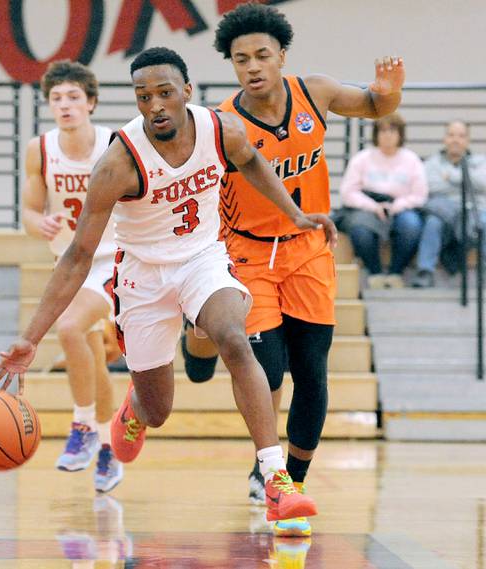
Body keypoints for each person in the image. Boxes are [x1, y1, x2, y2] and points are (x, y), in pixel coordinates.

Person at [0, 47, 335, 524]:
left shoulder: (218, 129)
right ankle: (132, 410)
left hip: (203, 258)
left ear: (187, 92)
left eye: (165, 93)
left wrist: (295, 215)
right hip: (143, 276)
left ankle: (276, 479)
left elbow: (252, 162)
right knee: (157, 409)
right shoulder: (118, 163)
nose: (155, 105)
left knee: (235, 337)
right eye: (143, 96)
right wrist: (31, 336)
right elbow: (77, 256)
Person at [179, 2, 406, 537]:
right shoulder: (223, 121)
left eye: (262, 55)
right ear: (232, 66)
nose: (253, 66)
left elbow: (374, 107)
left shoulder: (316, 92)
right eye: (241, 59)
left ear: (281, 55)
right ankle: (199, 345)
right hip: (248, 252)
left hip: (307, 249)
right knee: (269, 369)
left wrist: (388, 88)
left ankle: (289, 482)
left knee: (313, 374)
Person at [21, 60, 123, 493]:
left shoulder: (114, 144)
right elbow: (28, 210)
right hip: (71, 262)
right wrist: (37, 223)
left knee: (68, 328)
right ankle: (107, 447)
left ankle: (81, 426)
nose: (64, 105)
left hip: (115, 259)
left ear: (91, 102)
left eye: (73, 97)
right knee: (90, 353)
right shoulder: (40, 149)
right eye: (57, 99)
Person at [338, 112, 427, 288]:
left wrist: (397, 206)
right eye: (383, 130)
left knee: (412, 225)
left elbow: (420, 195)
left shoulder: (411, 160)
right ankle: (375, 273)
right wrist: (372, 206)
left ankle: (396, 273)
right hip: (367, 207)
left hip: (401, 208)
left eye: (392, 131)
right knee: (360, 228)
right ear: (376, 134)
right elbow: (348, 192)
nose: (387, 135)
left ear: (400, 134)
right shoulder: (362, 158)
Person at [412, 120, 486, 287]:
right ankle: (425, 272)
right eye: (451, 135)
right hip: (443, 213)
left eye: (461, 136)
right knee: (433, 222)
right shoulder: (432, 163)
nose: (455, 140)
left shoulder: (481, 162)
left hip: (475, 211)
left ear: (468, 140)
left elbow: (483, 182)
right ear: (444, 139)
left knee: (485, 221)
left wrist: (451, 177)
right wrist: (467, 181)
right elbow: (431, 185)